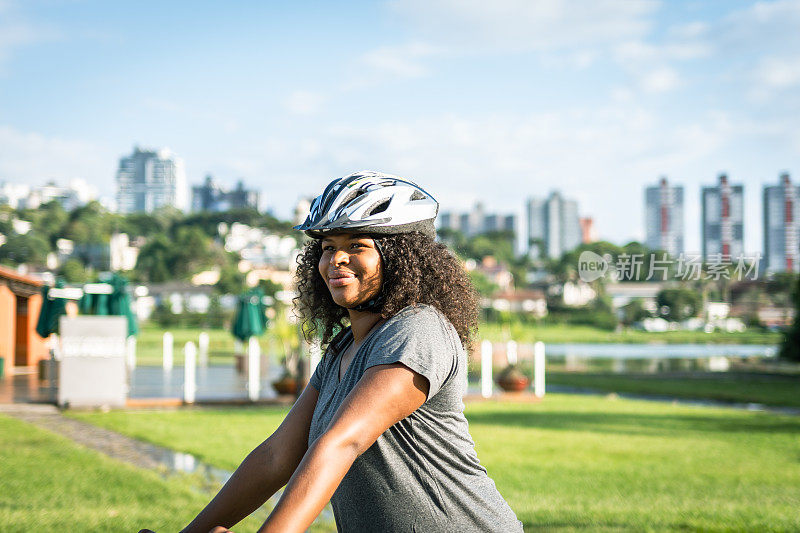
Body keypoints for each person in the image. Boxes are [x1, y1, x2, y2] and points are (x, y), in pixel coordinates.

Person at [144, 171, 523, 533]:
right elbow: (277, 456)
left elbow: (344, 441)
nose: (336, 260)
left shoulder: (418, 329)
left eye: (356, 245)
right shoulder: (343, 349)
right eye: (328, 248)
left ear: (402, 258)